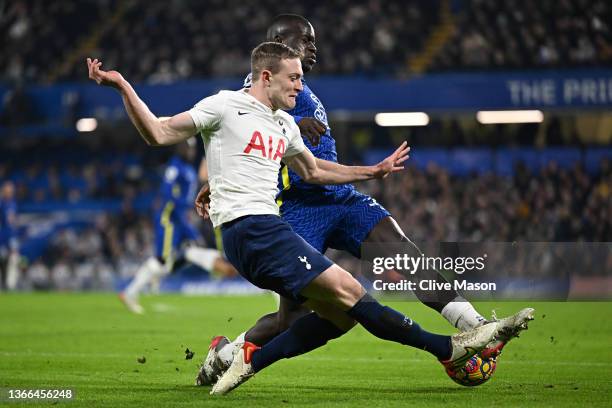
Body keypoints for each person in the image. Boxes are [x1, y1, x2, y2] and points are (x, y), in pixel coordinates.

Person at [87, 42, 531, 396]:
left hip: (268, 230)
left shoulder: (284, 126)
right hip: (254, 228)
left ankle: (245, 359)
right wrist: (123, 84)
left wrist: (371, 171)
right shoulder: (224, 105)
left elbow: (315, 171)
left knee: (342, 315)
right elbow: (160, 131)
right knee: (352, 292)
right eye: (295, 77)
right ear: (267, 76)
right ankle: (450, 348)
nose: (302, 84)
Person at [195, 14, 519, 386]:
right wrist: (230, 173)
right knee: (293, 319)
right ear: (280, 41)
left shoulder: (301, 87)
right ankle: (227, 355)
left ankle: (477, 327)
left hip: (340, 198)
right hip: (296, 208)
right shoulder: (258, 87)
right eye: (306, 39)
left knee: (403, 253)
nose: (314, 46)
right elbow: (243, 126)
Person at [119, 139, 237, 314]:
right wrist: (185, 219)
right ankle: (131, 292)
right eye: (186, 148)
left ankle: (150, 282)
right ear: (180, 149)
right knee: (163, 260)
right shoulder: (175, 167)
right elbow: (167, 192)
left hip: (181, 218)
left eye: (191, 148)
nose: (189, 152)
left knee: (185, 254)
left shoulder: (188, 169)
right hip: (170, 218)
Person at [0, 181, 19, 290]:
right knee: (2, 258)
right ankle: (3, 282)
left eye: (11, 190)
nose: (10, 192)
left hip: (11, 235)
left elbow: (13, 219)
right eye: (8, 190)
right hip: (2, 235)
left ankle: (11, 284)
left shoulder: (13, 203)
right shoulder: (1, 203)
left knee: (14, 258)